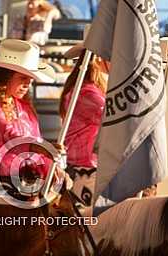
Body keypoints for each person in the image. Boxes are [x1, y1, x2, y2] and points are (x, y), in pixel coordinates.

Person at [0, 38, 64, 203]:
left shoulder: (24, 107)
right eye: (22, 78)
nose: (28, 83)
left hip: (26, 180)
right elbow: (9, 134)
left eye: (30, 79)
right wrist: (42, 148)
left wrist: (49, 163)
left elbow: (35, 139)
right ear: (6, 77)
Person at [60, 37, 109, 213]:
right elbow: (112, 115)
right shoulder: (87, 93)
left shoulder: (86, 90)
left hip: (85, 166)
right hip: (87, 169)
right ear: (97, 59)